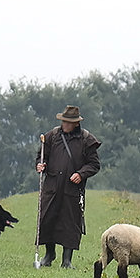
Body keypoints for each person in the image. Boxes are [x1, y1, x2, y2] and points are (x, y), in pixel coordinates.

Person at [35, 105, 101, 268]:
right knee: (47, 219)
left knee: (70, 222)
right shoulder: (52, 136)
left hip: (72, 190)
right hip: (52, 187)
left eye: (68, 122)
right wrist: (40, 165)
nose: (64, 124)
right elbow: (42, 156)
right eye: (63, 121)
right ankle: (49, 255)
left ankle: (67, 260)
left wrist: (81, 174)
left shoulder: (86, 139)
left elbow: (94, 164)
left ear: (75, 124)